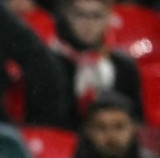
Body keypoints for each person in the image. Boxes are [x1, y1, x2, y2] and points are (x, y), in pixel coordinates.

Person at [50, 0, 143, 129]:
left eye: (97, 16)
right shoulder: (50, 63)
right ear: (67, 16)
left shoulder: (123, 66)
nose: (89, 24)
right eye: (80, 15)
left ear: (109, 18)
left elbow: (136, 121)